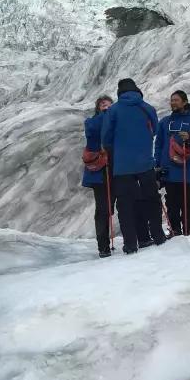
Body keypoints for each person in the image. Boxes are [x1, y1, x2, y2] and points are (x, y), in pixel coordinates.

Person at [101, 78, 166, 254]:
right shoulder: (147, 108)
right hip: (145, 163)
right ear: (136, 90)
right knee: (152, 200)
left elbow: (106, 137)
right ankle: (158, 236)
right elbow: (154, 130)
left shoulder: (113, 110)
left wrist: (114, 148)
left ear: (119, 92)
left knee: (125, 205)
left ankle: (131, 244)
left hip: (122, 166)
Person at [155, 90, 190, 235]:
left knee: (187, 202)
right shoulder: (164, 122)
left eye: (176, 100)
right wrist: (157, 165)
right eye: (172, 100)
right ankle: (175, 230)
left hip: (186, 170)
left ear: (184, 102)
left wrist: (189, 138)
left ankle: (188, 231)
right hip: (168, 170)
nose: (173, 103)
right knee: (171, 202)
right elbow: (158, 144)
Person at [82, 95, 114, 258]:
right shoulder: (91, 122)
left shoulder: (116, 120)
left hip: (115, 170)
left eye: (107, 104)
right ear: (97, 108)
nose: (104, 105)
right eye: (101, 104)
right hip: (99, 173)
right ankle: (103, 246)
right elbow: (93, 132)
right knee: (103, 209)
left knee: (115, 206)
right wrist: (105, 115)